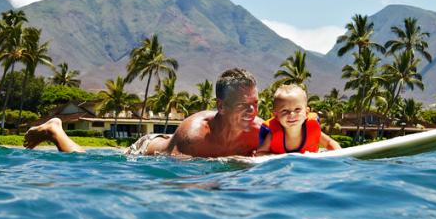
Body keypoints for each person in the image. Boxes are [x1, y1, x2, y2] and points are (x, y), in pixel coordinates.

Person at [23, 68, 264, 157]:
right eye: (243, 106)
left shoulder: (260, 131)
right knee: (83, 162)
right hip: (147, 150)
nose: (252, 112)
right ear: (221, 106)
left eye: (255, 104)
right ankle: (55, 130)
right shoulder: (195, 135)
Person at [253, 83, 342, 155]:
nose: (292, 114)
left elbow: (329, 143)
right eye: (285, 111)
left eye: (297, 109)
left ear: (306, 112)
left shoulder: (312, 129)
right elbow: (260, 153)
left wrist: (340, 157)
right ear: (276, 116)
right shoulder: (273, 135)